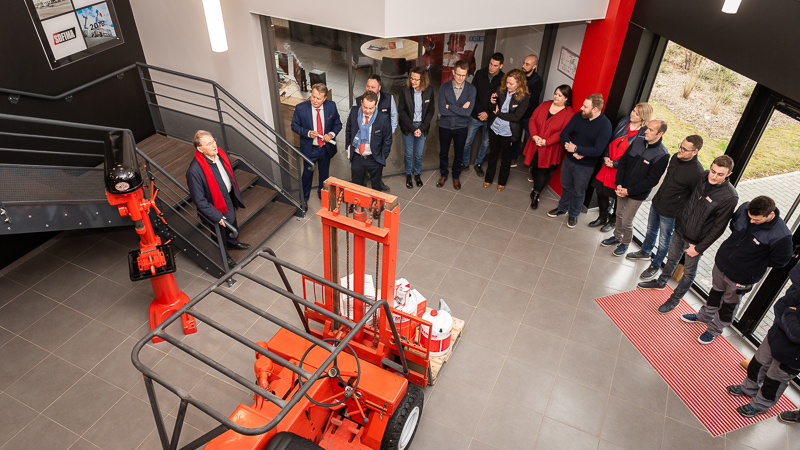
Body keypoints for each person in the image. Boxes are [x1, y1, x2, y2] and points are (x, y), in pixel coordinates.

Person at [681, 196, 792, 344]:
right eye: (750, 217)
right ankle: (703, 316)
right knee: (715, 293)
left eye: (756, 220)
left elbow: (780, 261)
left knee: (729, 304)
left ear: (770, 215)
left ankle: (714, 330)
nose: (752, 221)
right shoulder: (744, 209)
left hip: (742, 277)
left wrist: (753, 263)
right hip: (722, 264)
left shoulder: (781, 235)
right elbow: (733, 226)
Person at [638, 155, 739, 314]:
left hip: (696, 242)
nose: (713, 176)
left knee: (689, 272)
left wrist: (699, 248)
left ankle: (675, 298)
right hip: (680, 230)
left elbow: (718, 228)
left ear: (728, 174)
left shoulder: (730, 197)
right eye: (713, 171)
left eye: (720, 174)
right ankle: (661, 281)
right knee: (671, 259)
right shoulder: (703, 176)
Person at [626, 135, 705, 280]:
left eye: (684, 149)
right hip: (657, 203)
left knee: (664, 241)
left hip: (671, 213)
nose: (679, 151)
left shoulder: (697, 173)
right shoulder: (676, 157)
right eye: (680, 146)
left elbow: (694, 200)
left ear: (695, 152)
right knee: (650, 230)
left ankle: (655, 265)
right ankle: (645, 252)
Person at [726, 289, 800, 418]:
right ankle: (749, 388)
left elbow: (796, 334)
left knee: (774, 381)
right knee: (758, 364)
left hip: (793, 355)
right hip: (775, 337)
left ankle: (760, 405)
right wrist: (789, 322)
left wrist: (789, 313)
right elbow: (780, 305)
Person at [599, 119, 669, 257]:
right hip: (622, 187)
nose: (646, 131)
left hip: (637, 194)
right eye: (647, 128)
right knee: (618, 214)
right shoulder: (637, 141)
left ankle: (625, 243)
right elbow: (623, 162)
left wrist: (629, 191)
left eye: (651, 130)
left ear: (660, 134)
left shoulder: (662, 155)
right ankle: (616, 237)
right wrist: (619, 183)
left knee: (626, 220)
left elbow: (652, 181)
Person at [547, 93, 612, 228]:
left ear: (595, 109)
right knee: (566, 186)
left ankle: (573, 214)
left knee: (578, 191)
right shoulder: (579, 116)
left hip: (585, 166)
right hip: (570, 159)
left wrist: (577, 149)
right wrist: (570, 148)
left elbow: (598, 150)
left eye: (585, 106)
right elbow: (564, 133)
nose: (582, 108)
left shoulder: (605, 126)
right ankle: (562, 208)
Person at [185, 131, 250, 267]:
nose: (214, 145)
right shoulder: (194, 171)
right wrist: (216, 216)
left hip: (227, 198)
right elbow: (199, 200)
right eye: (209, 144)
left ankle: (233, 243)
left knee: (232, 222)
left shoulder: (220, 154)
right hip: (214, 208)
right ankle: (223, 256)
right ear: (200, 149)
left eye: (213, 141)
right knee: (218, 234)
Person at [587, 103, 652, 231]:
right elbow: (610, 140)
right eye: (633, 110)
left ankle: (613, 221)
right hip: (608, 163)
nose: (632, 114)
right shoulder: (624, 121)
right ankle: (602, 216)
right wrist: (605, 156)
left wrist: (615, 164)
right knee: (600, 190)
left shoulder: (644, 133)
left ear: (643, 118)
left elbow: (635, 156)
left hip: (622, 169)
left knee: (618, 197)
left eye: (637, 113)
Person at [523, 85, 575, 209]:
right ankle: (536, 186)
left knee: (544, 170)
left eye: (560, 95)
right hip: (536, 143)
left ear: (566, 99)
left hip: (550, 148)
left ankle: (536, 194)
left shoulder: (569, 113)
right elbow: (532, 120)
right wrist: (534, 136)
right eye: (555, 93)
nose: (556, 97)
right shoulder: (545, 105)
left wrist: (546, 142)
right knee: (534, 166)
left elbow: (563, 132)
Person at [290, 83, 342, 202]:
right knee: (307, 175)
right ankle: (304, 199)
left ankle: (322, 195)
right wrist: (308, 133)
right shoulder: (301, 108)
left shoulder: (331, 106)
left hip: (325, 148)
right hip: (310, 148)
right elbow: (294, 126)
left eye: (318, 98)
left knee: (324, 174)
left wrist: (331, 134)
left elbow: (338, 124)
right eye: (313, 96)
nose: (314, 100)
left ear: (325, 98)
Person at [482, 69, 529, 191]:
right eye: (507, 82)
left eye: (511, 84)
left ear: (519, 83)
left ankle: (502, 181)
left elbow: (516, 117)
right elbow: (492, 107)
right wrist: (492, 102)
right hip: (494, 128)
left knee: (506, 158)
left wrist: (498, 113)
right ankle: (488, 179)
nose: (508, 85)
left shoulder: (524, 97)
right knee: (493, 154)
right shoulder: (500, 89)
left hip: (509, 132)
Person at [462, 53, 504, 177]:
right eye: (491, 64)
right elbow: (472, 94)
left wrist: (488, 113)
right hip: (475, 115)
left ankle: (478, 163)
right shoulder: (480, 73)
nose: (491, 67)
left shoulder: (503, 79)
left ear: (500, 66)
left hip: (490, 118)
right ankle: (465, 162)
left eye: (495, 65)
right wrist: (481, 112)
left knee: (486, 143)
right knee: (467, 141)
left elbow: (501, 100)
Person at [437, 60, 476, 190]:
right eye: (458, 74)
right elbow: (442, 110)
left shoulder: (471, 89)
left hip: (461, 127)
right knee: (443, 152)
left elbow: (467, 113)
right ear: (453, 72)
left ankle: (456, 176)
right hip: (445, 126)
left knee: (459, 153)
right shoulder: (444, 87)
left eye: (464, 75)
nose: (461, 78)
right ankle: (444, 174)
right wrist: (460, 109)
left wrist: (450, 106)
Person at [354, 75, 397, 191]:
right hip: (363, 142)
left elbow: (394, 115)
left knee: (377, 164)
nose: (369, 89)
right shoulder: (358, 100)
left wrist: (391, 130)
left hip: (380, 138)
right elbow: (351, 121)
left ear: (379, 88)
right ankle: (362, 185)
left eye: (373, 87)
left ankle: (379, 183)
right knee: (362, 168)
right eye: (367, 86)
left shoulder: (388, 98)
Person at [345, 91, 393, 191]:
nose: (367, 111)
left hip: (374, 159)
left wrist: (382, 158)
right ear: (361, 102)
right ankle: (356, 206)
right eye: (365, 107)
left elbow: (387, 140)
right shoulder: (354, 112)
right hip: (357, 157)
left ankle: (375, 206)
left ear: (376, 105)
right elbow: (348, 130)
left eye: (371, 108)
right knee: (356, 187)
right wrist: (348, 147)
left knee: (376, 189)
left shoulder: (383, 118)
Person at [398, 67, 435, 189]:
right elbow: (402, 111)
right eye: (412, 78)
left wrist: (422, 128)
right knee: (408, 153)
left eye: (416, 80)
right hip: (409, 126)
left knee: (419, 154)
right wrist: (414, 129)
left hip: (422, 126)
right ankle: (409, 174)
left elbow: (431, 111)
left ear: (422, 80)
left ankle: (417, 174)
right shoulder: (405, 90)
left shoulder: (429, 91)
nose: (413, 81)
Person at [510, 54, 543, 166]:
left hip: (529, 116)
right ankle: (513, 158)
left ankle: (528, 163)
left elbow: (530, 100)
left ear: (534, 66)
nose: (523, 66)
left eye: (527, 64)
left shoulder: (537, 81)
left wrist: (517, 110)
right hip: (518, 114)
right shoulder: (519, 77)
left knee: (530, 138)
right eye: (523, 63)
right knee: (516, 136)